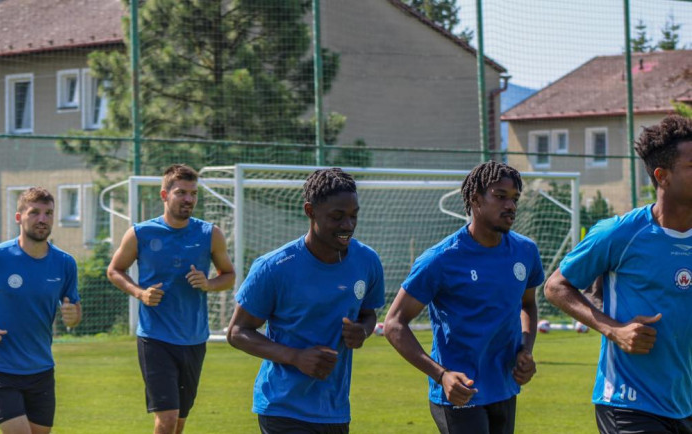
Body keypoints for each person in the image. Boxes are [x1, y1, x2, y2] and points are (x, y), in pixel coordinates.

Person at [544, 114, 692, 434]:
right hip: (629, 403)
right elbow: (556, 286)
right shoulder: (620, 233)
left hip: (685, 401)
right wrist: (615, 330)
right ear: (662, 176)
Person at [384, 161, 543, 434]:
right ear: (475, 199)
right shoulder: (440, 259)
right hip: (459, 392)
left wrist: (525, 349)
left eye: (514, 198)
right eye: (500, 196)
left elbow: (527, 304)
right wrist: (441, 375)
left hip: (504, 387)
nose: (510, 206)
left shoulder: (525, 252)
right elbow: (394, 324)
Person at [227, 168, 385, 433]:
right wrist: (296, 357)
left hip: (335, 409)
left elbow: (368, 315)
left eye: (353, 216)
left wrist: (363, 332)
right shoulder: (274, 267)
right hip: (283, 407)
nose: (348, 225)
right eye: (337, 217)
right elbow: (237, 331)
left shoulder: (367, 261)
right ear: (310, 211)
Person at [106, 164, 235, 434]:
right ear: (164, 195)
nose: (188, 199)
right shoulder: (140, 233)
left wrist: (209, 283)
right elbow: (114, 270)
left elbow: (229, 275)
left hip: (194, 339)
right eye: (181, 193)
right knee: (166, 420)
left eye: (193, 193)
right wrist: (140, 293)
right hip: (155, 338)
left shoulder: (210, 234)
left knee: (178, 423)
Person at [0, 187, 82, 434]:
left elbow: (74, 308)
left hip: (41, 369)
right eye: (35, 213)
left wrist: (74, 316)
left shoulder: (65, 263)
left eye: (49, 213)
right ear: (19, 217)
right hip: (0, 369)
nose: (43, 219)